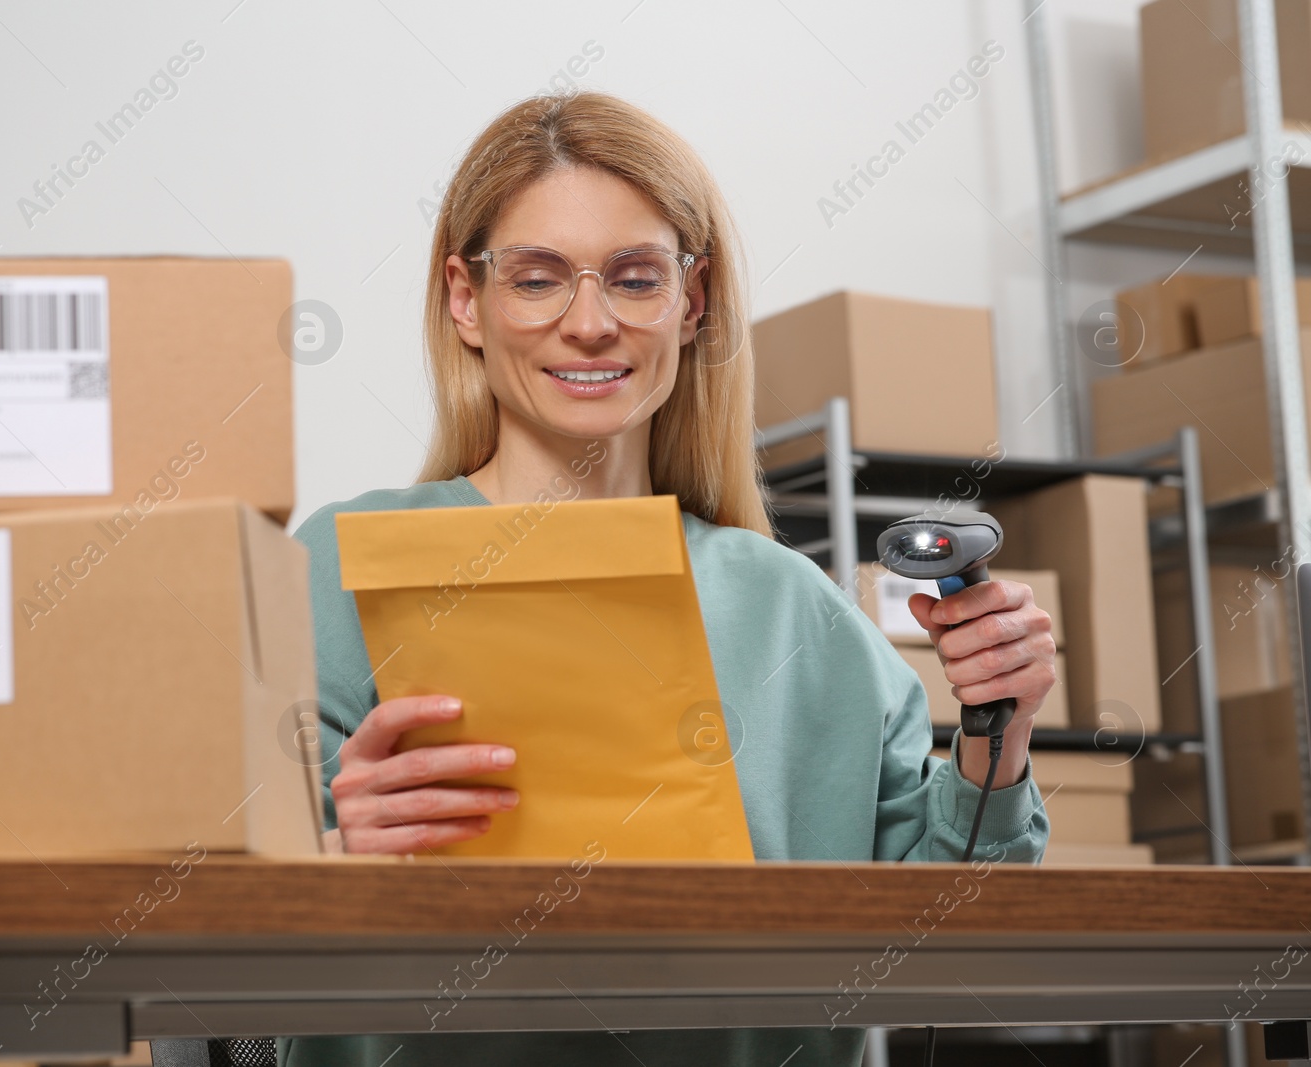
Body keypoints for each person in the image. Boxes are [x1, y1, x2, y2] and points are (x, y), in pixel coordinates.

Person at [279, 90, 1054, 1067]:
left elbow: (949, 936)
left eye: (636, 278)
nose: (591, 323)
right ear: (464, 300)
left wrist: (1001, 729)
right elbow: (188, 911)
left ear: (691, 304)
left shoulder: (794, 608)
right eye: (537, 278)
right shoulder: (338, 568)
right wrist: (334, 854)